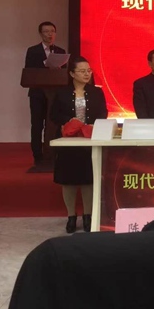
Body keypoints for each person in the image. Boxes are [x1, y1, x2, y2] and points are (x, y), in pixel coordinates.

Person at [50, 57, 108, 233]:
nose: (86, 74)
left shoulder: (96, 92)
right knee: (68, 180)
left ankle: (88, 215)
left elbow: (103, 113)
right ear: (72, 74)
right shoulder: (62, 93)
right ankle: (71, 216)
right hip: (68, 141)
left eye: (88, 71)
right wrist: (70, 122)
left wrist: (90, 125)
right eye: (82, 71)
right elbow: (54, 115)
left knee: (87, 179)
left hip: (89, 140)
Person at [24, 21, 66, 167]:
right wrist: (45, 67)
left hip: (54, 94)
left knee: (54, 124)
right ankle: (37, 155)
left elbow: (65, 74)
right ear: (41, 34)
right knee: (37, 124)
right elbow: (29, 72)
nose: (50, 34)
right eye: (46, 31)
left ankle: (53, 154)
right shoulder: (33, 51)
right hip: (37, 93)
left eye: (52, 31)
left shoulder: (60, 51)